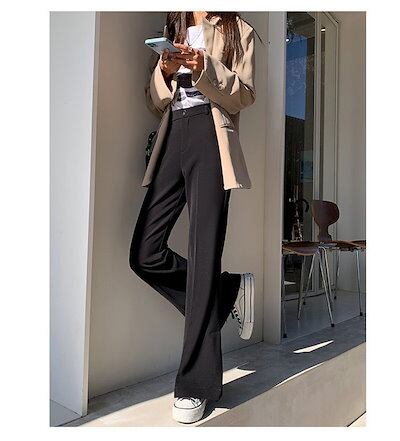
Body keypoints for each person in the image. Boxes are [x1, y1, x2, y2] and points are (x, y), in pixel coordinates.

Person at [129, 11, 256, 424]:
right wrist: (165, 71)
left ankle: (196, 385)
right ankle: (226, 291)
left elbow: (244, 95)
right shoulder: (175, 25)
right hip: (174, 133)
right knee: (144, 253)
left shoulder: (238, 29)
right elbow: (154, 101)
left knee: (203, 258)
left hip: (211, 136)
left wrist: (205, 67)